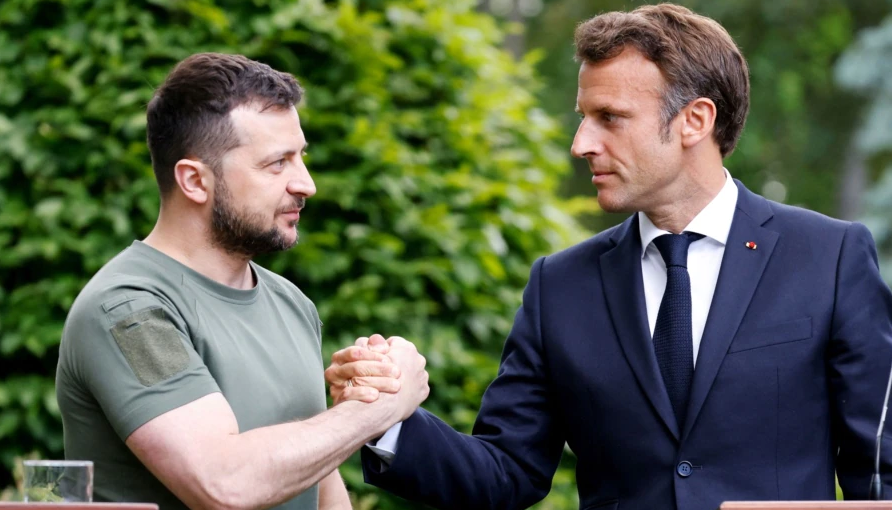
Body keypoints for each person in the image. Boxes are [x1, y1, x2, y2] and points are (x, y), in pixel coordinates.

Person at [325, 4, 892, 509]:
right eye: (583, 116)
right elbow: (506, 472)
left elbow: (879, 469)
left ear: (695, 120)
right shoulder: (559, 285)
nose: (581, 143)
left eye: (610, 118)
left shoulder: (829, 257)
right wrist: (385, 418)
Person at [56, 53, 429, 510]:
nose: (306, 184)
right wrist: (380, 406)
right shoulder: (128, 311)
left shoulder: (291, 303)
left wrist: (368, 391)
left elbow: (318, 481)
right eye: (277, 163)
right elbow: (224, 483)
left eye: (301, 156)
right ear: (194, 181)